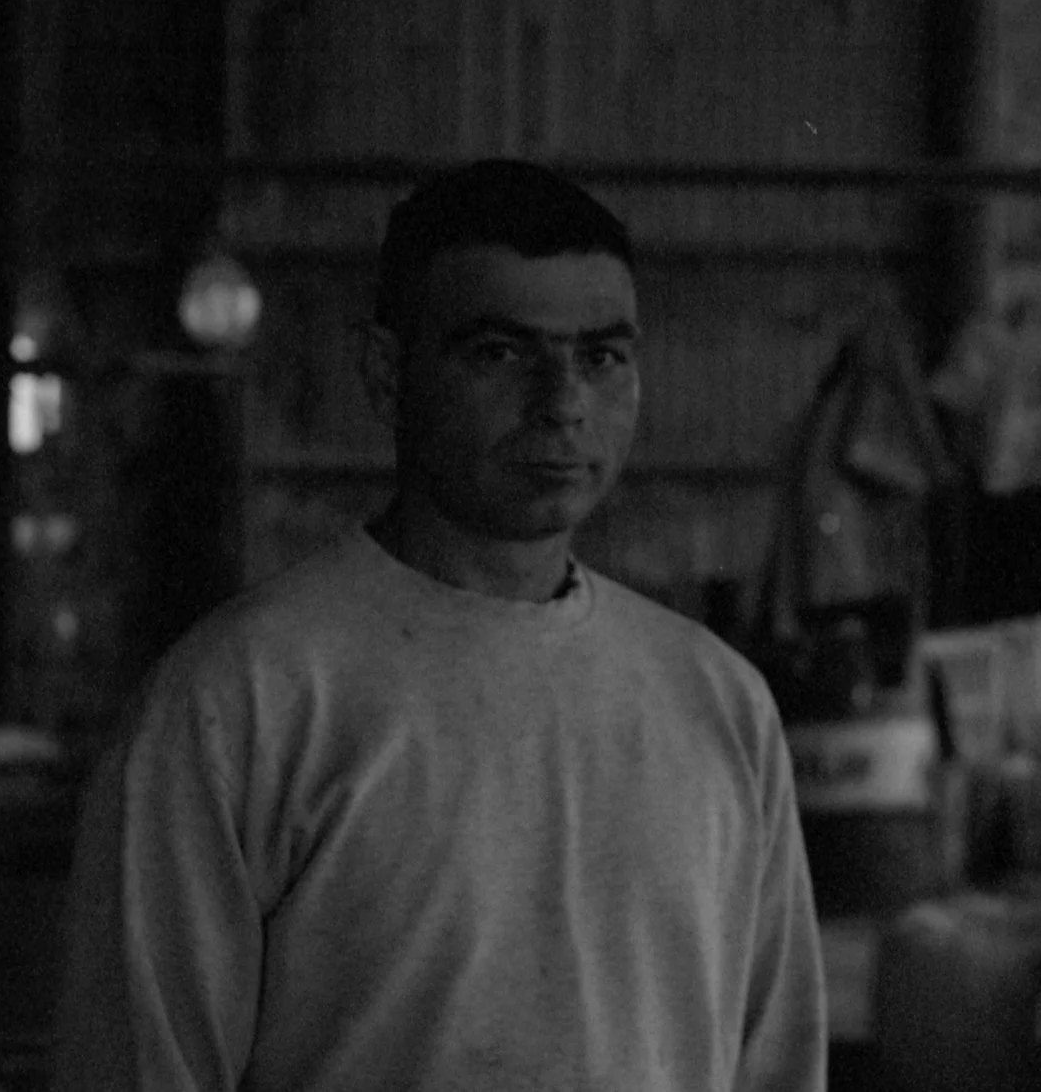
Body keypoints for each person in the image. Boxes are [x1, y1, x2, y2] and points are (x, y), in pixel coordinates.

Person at [53, 160, 827, 1092]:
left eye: (601, 357)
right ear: (388, 374)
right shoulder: (244, 700)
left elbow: (777, 1067)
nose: (562, 402)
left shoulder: (718, 705)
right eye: (500, 353)